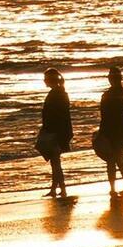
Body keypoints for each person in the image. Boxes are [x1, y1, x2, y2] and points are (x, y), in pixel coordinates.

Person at [92, 63, 123, 195]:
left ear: (110, 79)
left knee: (112, 160)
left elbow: (104, 116)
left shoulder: (107, 95)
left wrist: (101, 133)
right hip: (122, 128)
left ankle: (113, 188)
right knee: (119, 159)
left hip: (111, 130)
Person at [36, 65, 73, 198]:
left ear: (50, 80)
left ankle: (61, 189)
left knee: (55, 163)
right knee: (55, 162)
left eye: (45, 78)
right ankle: (56, 188)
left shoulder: (56, 94)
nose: (44, 81)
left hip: (56, 133)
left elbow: (59, 116)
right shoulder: (59, 92)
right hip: (58, 132)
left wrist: (54, 133)